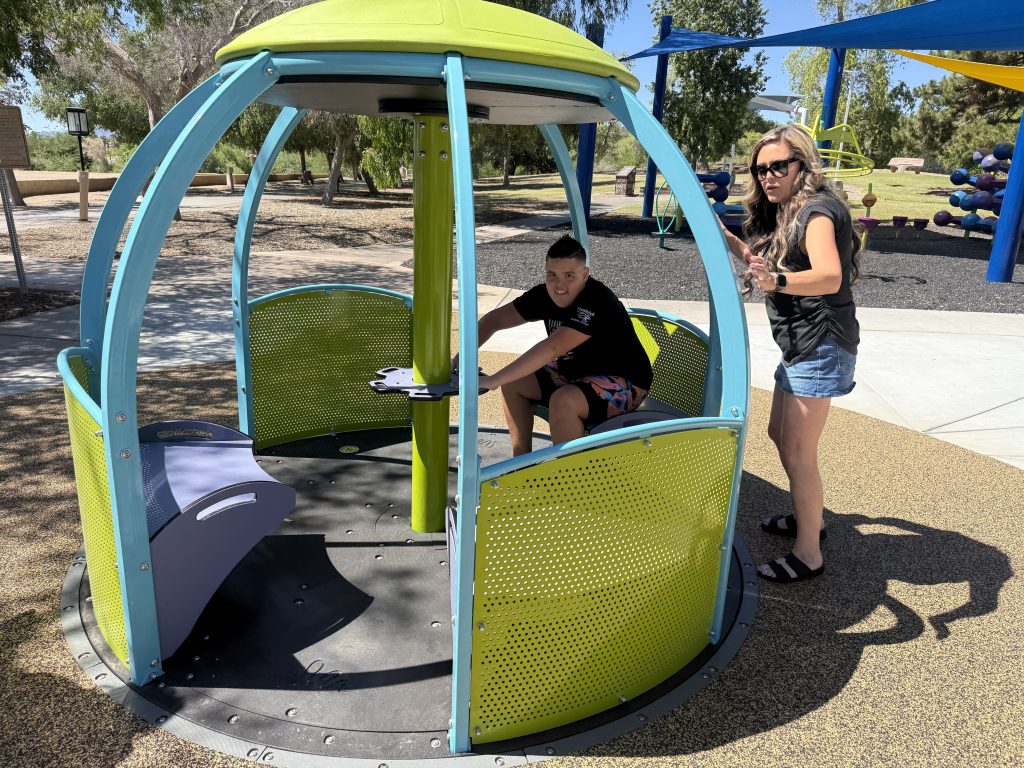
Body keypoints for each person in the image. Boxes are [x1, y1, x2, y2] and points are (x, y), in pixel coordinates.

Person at [719, 124, 861, 584]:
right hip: (800, 344)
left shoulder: (817, 211)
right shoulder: (787, 211)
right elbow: (762, 265)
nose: (768, 176)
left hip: (820, 342)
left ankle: (809, 552)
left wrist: (777, 281)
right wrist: (724, 236)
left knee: (799, 449)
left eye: (779, 166)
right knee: (779, 434)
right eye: (761, 169)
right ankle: (808, 518)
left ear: (802, 165)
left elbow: (829, 276)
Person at [460, 234, 653, 456]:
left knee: (563, 400)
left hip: (625, 381)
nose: (559, 284)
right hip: (576, 371)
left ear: (585, 275)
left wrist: (493, 380)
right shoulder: (544, 295)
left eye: (569, 275)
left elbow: (553, 348)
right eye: (552, 275)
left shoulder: (597, 300)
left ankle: (567, 474)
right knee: (513, 383)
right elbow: (495, 320)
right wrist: (462, 356)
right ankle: (521, 462)